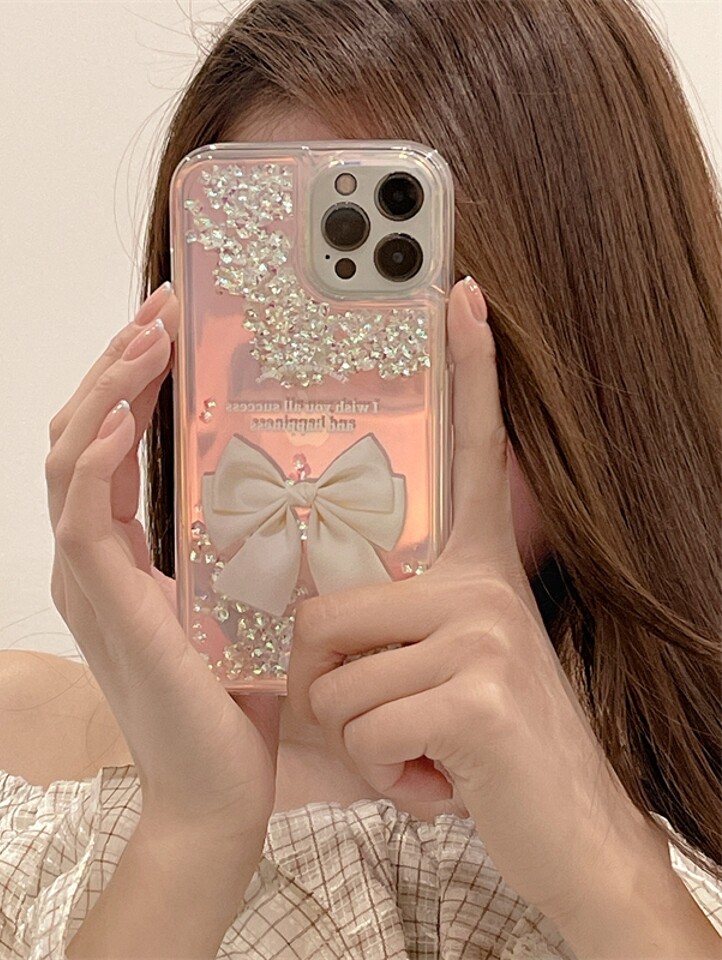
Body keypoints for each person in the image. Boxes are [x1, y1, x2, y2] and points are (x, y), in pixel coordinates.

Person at [1, 0, 720, 957]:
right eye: (268, 334)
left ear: (600, 371)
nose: (320, 434)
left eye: (398, 354)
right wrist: (190, 840)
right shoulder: (26, 761)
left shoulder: (683, 855)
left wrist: (613, 878)